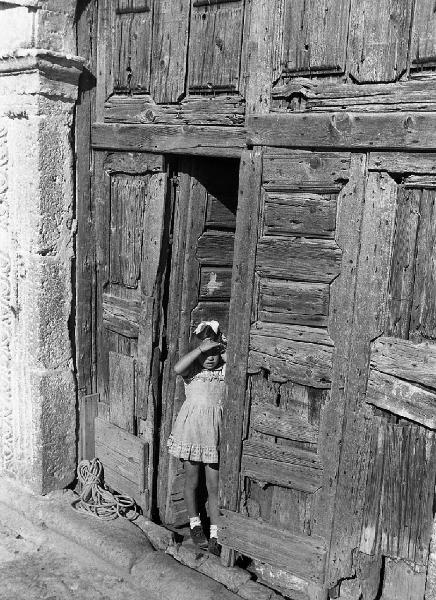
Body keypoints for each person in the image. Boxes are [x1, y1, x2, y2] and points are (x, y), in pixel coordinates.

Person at [167, 320, 226, 556]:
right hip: (192, 433)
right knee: (192, 481)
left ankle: (215, 532)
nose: (210, 358)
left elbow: (233, 360)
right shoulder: (193, 374)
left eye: (214, 353)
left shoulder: (223, 373)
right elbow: (177, 368)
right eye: (205, 353)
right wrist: (200, 349)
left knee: (214, 486)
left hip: (213, 436)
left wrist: (221, 346)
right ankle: (194, 523)